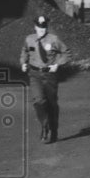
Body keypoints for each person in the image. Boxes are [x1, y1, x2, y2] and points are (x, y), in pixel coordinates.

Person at [20, 15, 69, 144]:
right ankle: (44, 125)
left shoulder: (54, 39)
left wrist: (57, 64)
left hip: (49, 76)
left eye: (44, 27)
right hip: (34, 74)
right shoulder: (29, 39)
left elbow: (66, 52)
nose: (42, 29)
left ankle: (54, 130)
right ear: (35, 27)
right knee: (38, 101)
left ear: (46, 27)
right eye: (39, 27)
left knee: (52, 104)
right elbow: (24, 51)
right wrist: (23, 63)